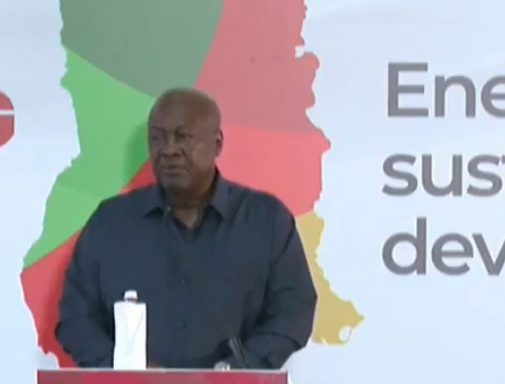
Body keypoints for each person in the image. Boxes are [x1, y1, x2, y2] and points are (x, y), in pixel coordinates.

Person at [54, 87, 316, 369]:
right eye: (157, 138)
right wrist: (123, 370)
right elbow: (75, 318)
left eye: (183, 137)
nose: (168, 150)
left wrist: (237, 371)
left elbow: (294, 311)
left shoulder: (266, 221)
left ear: (217, 144)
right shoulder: (110, 223)